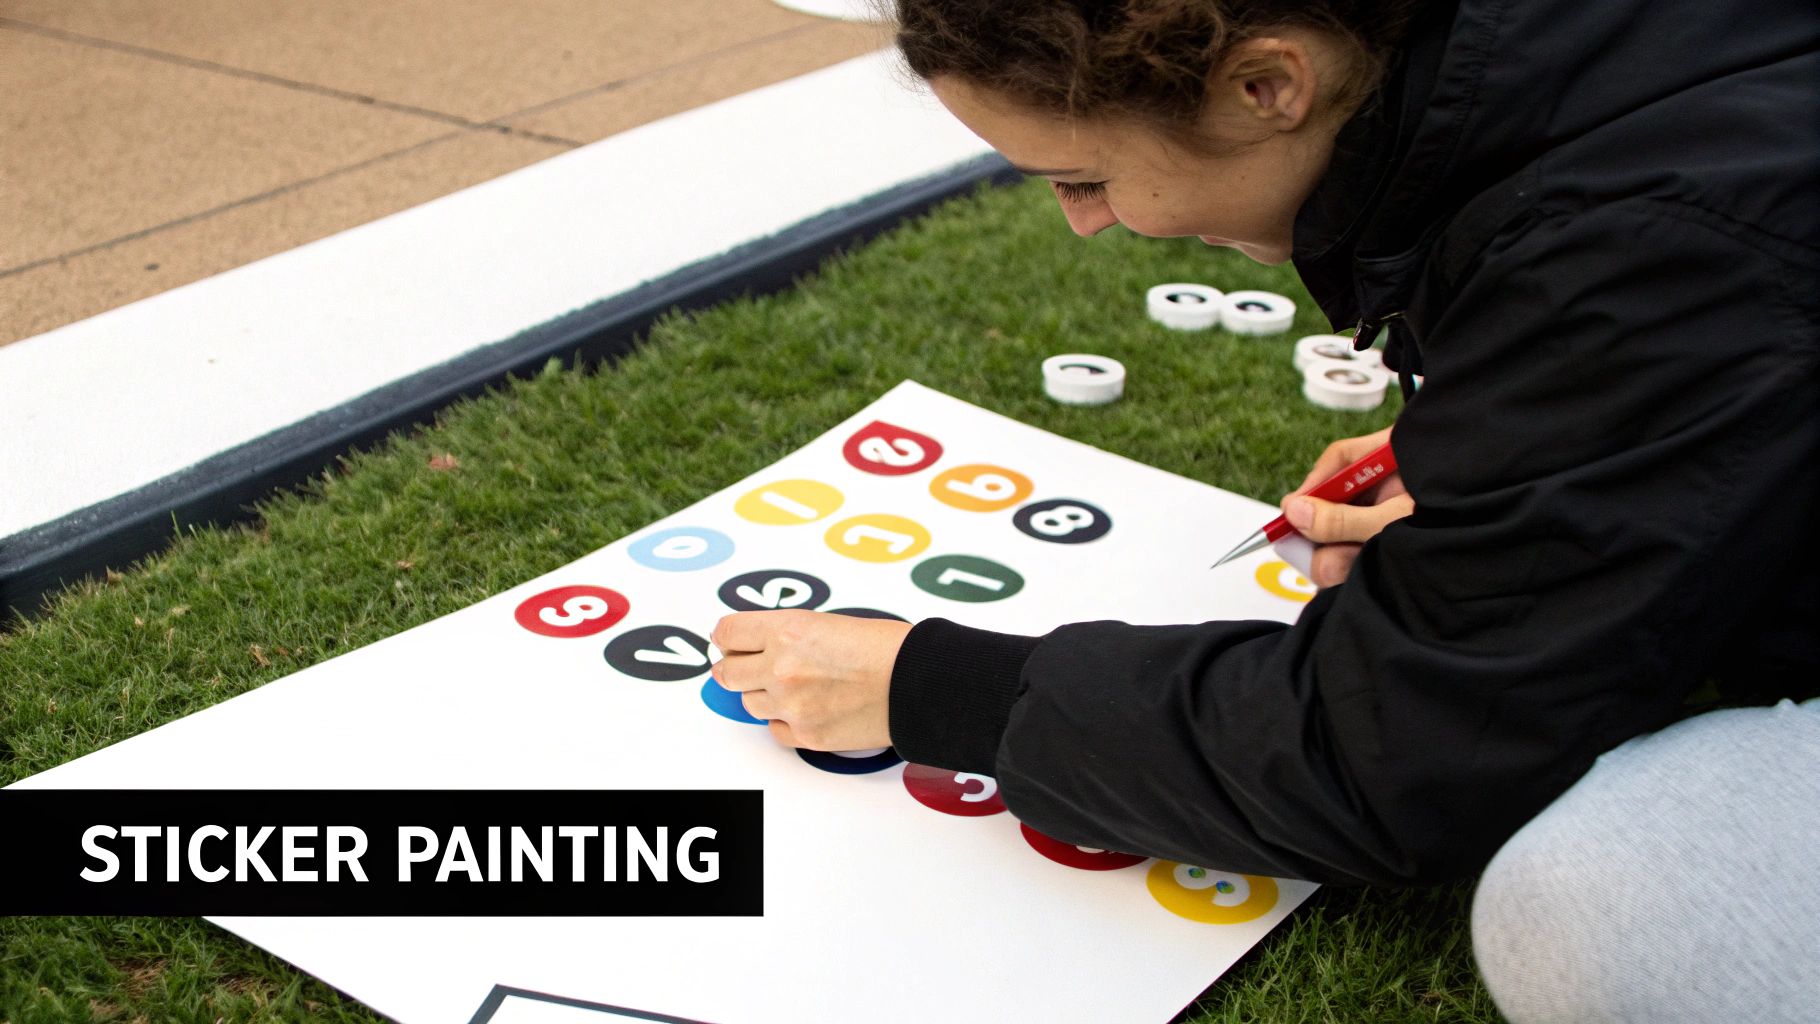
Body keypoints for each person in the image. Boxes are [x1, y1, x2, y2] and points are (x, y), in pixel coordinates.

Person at [711, 1, 1820, 1019]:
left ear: (1264, 85)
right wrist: (1532, 447)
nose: (1083, 225)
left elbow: (1391, 755)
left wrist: (933, 686)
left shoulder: (1636, 246)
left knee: (1614, 900)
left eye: (1082, 176)